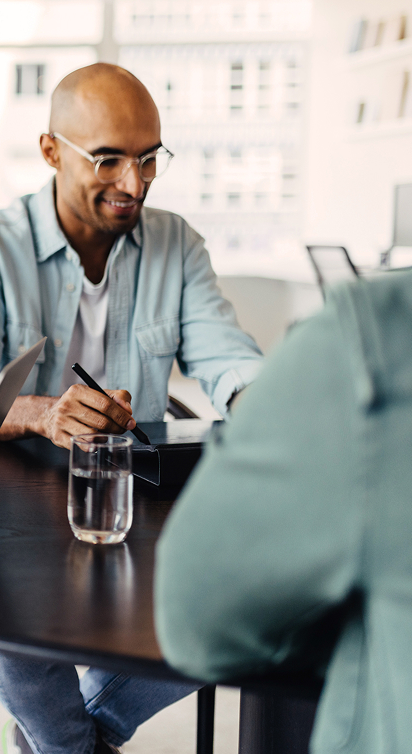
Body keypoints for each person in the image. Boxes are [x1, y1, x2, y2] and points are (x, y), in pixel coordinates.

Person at [0, 63, 264, 754]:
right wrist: (43, 413)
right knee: (2, 602)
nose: (133, 183)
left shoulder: (177, 244)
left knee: (255, 583)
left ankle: (73, 736)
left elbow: (227, 356)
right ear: (51, 151)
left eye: (148, 159)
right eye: (108, 159)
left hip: (127, 495)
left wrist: (268, 404)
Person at [156, 269, 412, 753]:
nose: (132, 188)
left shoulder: (367, 339)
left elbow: (196, 625)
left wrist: (274, 409)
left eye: (150, 184)